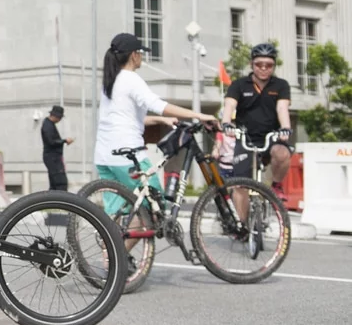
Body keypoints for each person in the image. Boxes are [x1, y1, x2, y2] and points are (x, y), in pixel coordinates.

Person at [95, 33, 217, 266]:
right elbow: (158, 105)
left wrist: (161, 122)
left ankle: (111, 254)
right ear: (134, 55)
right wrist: (199, 115)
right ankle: (114, 257)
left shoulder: (110, 81)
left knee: (120, 211)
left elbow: (125, 118)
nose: (142, 57)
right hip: (128, 156)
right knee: (153, 209)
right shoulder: (131, 78)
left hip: (105, 156)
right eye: (140, 52)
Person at [221, 42, 293, 214]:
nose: (263, 68)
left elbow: (282, 108)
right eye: (259, 64)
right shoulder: (239, 85)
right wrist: (226, 123)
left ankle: (275, 186)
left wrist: (286, 128)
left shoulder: (281, 85)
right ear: (251, 65)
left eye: (268, 65)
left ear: (274, 66)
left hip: (271, 138)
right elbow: (229, 105)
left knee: (282, 154)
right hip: (246, 138)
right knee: (240, 185)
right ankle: (243, 228)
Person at [41, 105, 74, 191]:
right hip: (52, 157)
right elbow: (51, 141)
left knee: (54, 183)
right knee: (60, 182)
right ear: (57, 116)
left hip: (53, 157)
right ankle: (61, 201)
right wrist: (64, 141)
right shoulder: (47, 125)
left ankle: (53, 201)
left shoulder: (49, 124)